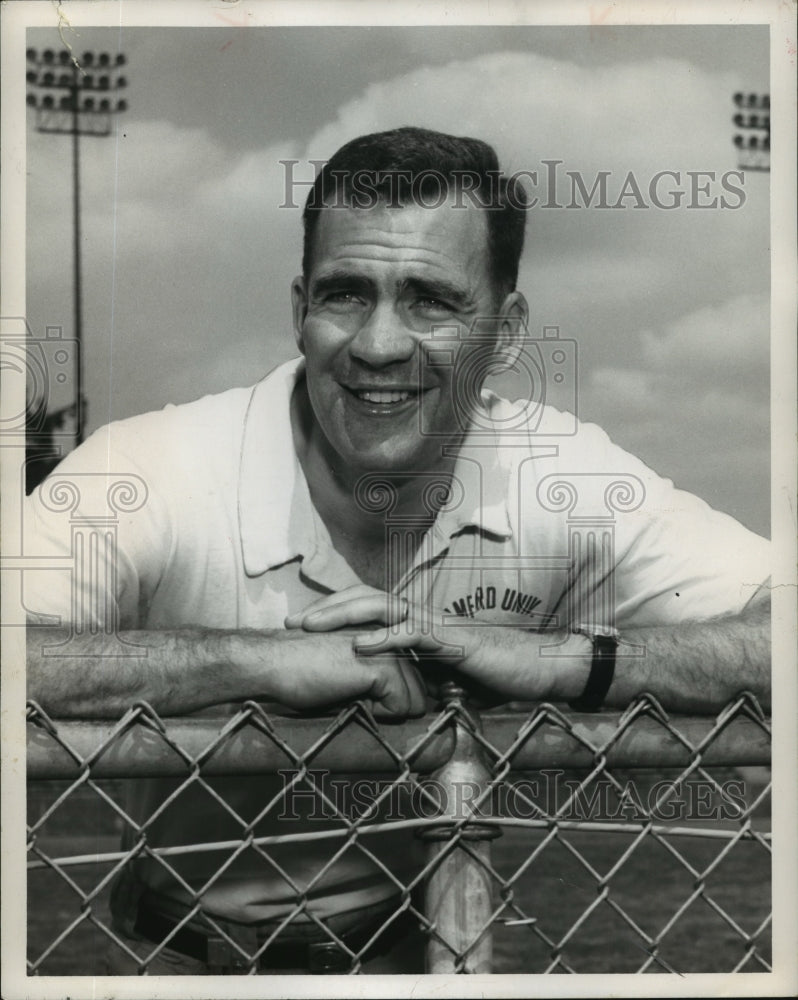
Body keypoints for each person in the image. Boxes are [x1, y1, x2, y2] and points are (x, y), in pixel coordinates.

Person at [25, 126, 771, 975]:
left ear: (508, 330)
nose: (379, 345)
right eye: (345, 295)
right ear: (298, 309)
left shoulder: (559, 473)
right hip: (176, 952)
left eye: (430, 300)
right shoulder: (152, 466)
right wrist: (256, 664)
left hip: (423, 943)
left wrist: (559, 662)